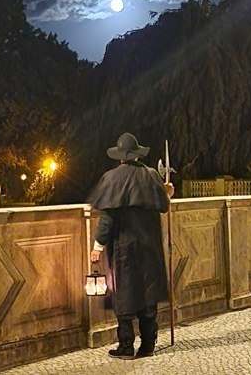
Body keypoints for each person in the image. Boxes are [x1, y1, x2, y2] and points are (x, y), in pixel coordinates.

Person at [89, 132, 174, 360]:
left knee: (123, 293)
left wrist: (97, 245)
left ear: (120, 157)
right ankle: (148, 345)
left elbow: (107, 217)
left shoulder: (111, 178)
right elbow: (163, 206)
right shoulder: (152, 175)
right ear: (137, 155)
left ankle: (126, 346)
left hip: (123, 247)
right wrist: (169, 194)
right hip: (149, 247)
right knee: (148, 292)